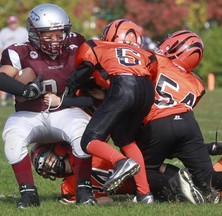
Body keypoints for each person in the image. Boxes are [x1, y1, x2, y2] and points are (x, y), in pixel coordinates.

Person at [135, 30, 222, 206]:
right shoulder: (196, 84)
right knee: (206, 176)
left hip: (159, 122)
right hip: (188, 123)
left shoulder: (155, 60)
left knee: (143, 170)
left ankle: (176, 184)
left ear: (175, 45)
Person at [0, 3, 95, 208]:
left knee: (84, 133)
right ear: (35, 33)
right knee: (12, 136)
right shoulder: (21, 51)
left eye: (59, 34)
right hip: (30, 114)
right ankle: (28, 194)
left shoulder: (77, 44)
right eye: (48, 35)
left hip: (65, 111)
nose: (55, 40)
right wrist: (25, 91)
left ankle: (84, 190)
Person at [66, 19, 159, 203]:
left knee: (89, 140)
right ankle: (145, 194)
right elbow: (151, 76)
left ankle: (120, 162)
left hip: (123, 88)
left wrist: (69, 88)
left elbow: (85, 69)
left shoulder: (96, 45)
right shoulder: (148, 54)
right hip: (147, 92)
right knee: (127, 141)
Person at [30, 138, 222, 204]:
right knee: (202, 191)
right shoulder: (68, 187)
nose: (45, 166)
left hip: (147, 173)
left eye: (46, 159)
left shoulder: (90, 151)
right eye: (42, 166)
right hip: (139, 188)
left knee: (200, 189)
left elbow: (129, 156)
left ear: (59, 147)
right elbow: (105, 201)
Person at [0, 15, 28, 106]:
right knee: (5, 78)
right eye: (11, 23)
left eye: (14, 23)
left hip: (20, 59)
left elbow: (28, 45)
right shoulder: (4, 32)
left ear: (17, 22)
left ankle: (16, 99)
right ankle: (3, 100)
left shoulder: (23, 31)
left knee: (18, 79)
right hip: (7, 59)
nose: (13, 25)